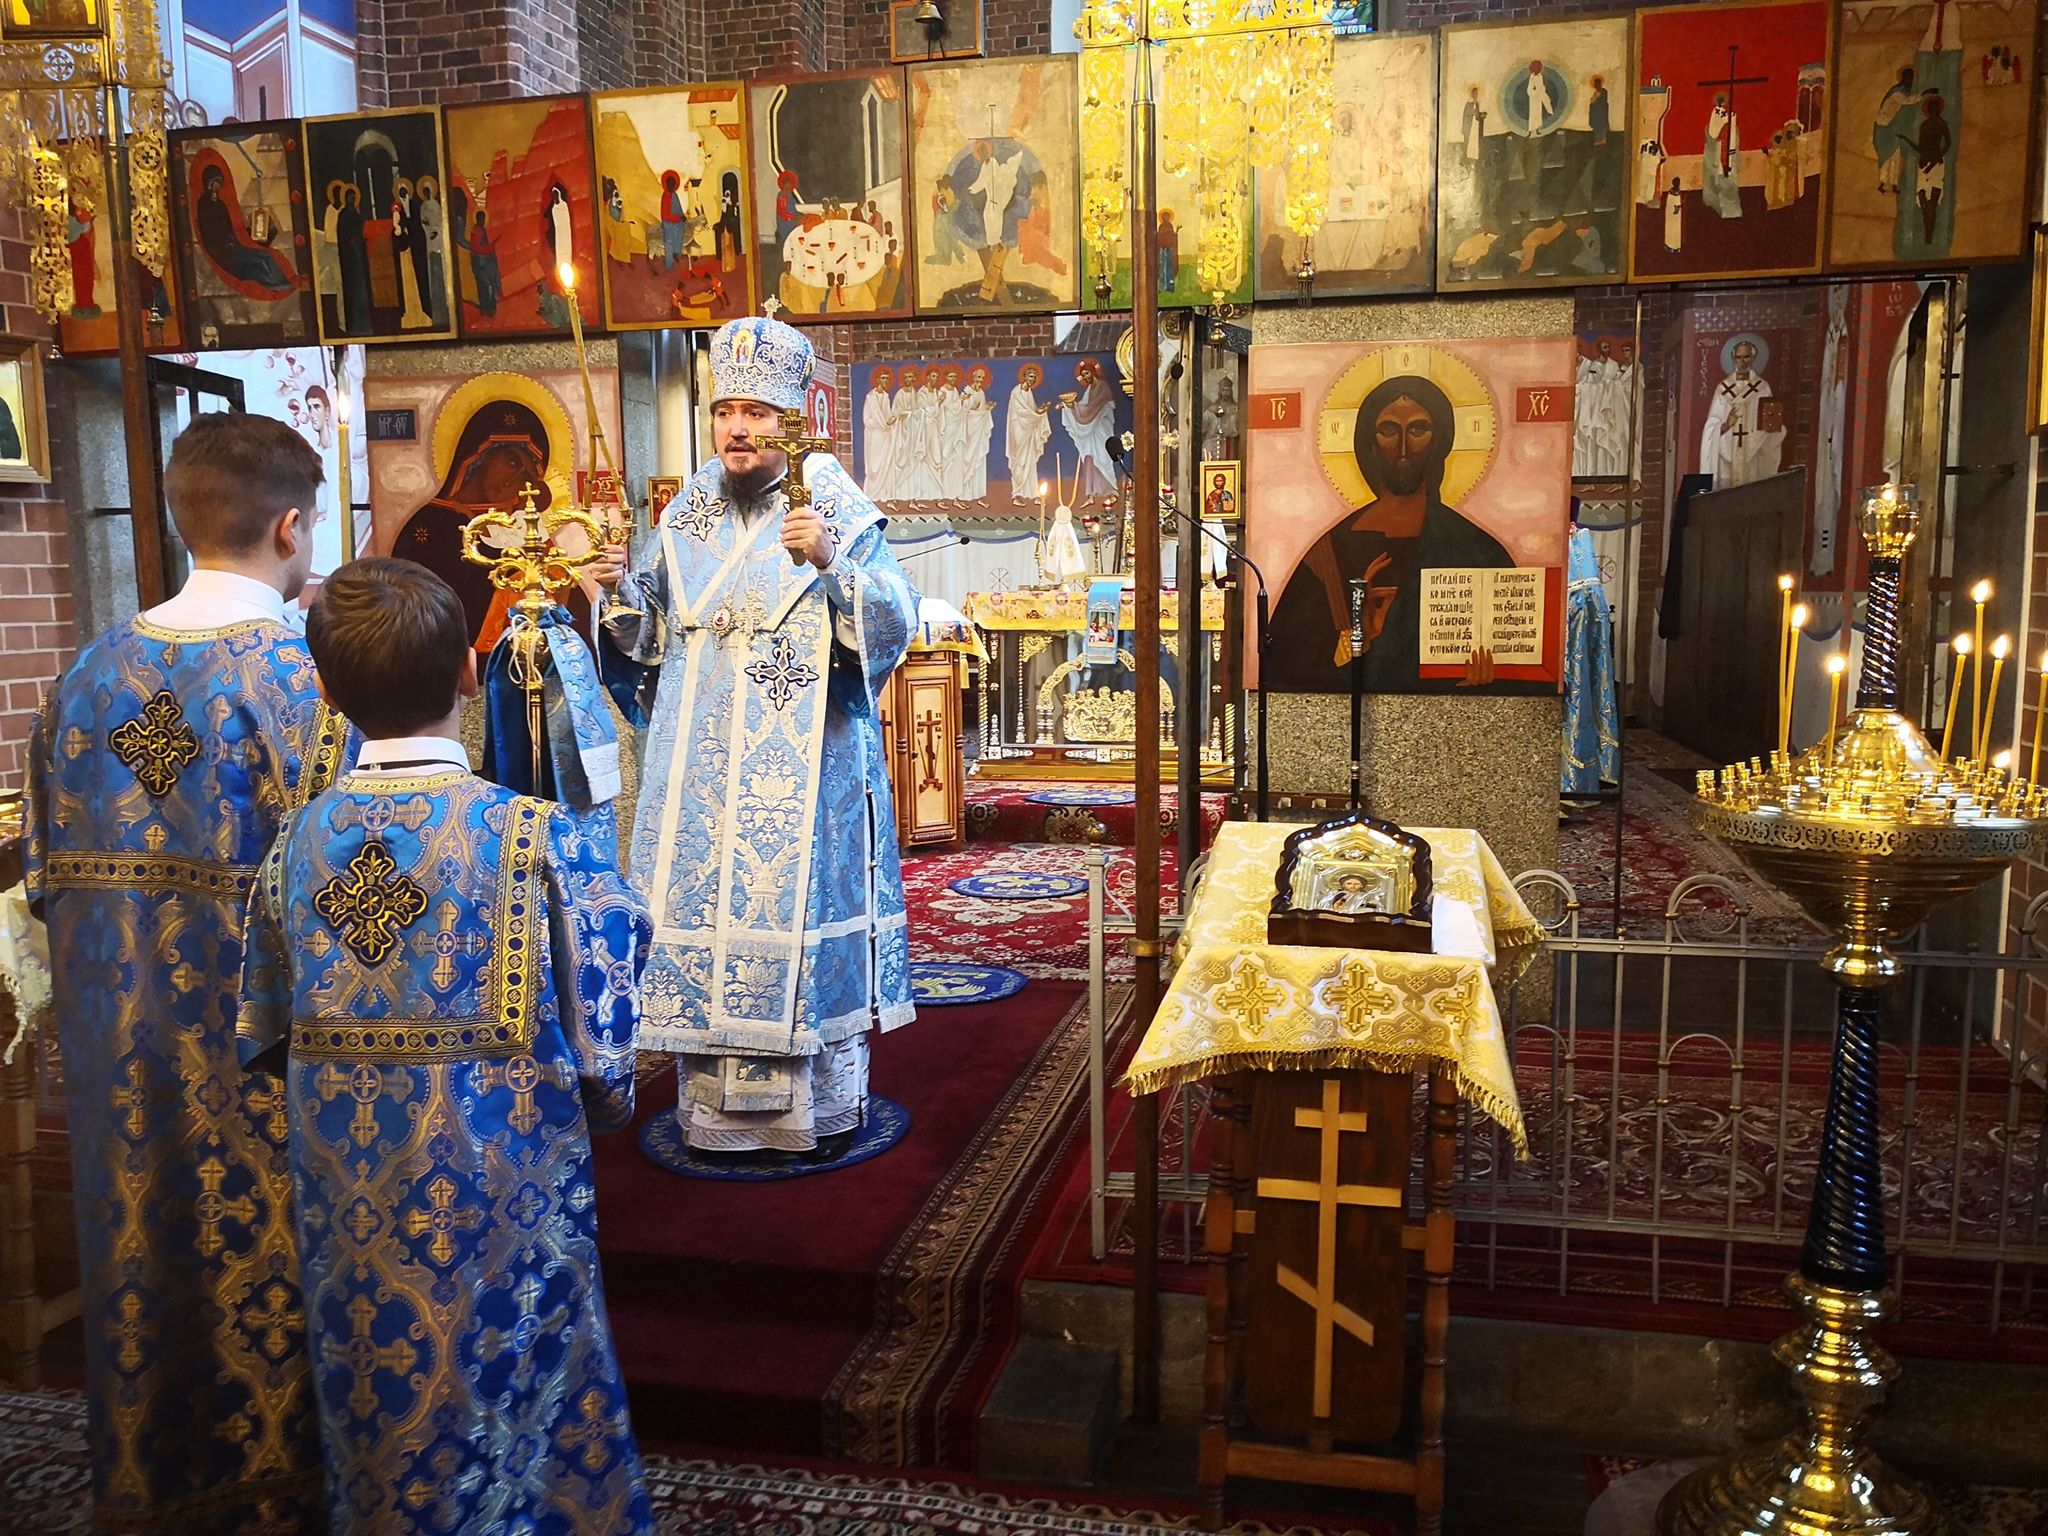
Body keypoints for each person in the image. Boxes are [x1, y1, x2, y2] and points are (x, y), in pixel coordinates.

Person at [241, 559, 654, 1534]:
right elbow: (606, 1038)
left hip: (352, 1208)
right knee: (525, 1392)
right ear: (471, 672)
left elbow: (261, 1031)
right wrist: (601, 1101)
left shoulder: (292, 847)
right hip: (510, 1197)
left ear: (328, 692)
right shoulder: (538, 837)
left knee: (378, 1400)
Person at [27, 412, 350, 1534]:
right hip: (266, 1070)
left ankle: (151, 1485)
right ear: (292, 527)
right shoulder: (306, 685)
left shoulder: (82, 678)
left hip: (120, 1071)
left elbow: (44, 881)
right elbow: (357, 897)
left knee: (144, 1260)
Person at [594, 315, 920, 1159]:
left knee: (794, 914)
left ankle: (814, 1114)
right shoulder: (688, 513)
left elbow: (896, 620)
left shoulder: (835, 504)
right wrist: (611, 592)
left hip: (805, 774)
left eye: (757, 413)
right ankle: (714, 1119)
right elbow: (649, 639)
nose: (737, 428)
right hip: (702, 774)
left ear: (791, 419)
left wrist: (835, 566)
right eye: (725, 411)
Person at [1267, 373, 1514, 693]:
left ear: (1440, 440)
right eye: (1388, 430)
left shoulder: (1475, 546)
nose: (1403, 448)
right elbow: (1286, 667)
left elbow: (1515, 655)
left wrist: (1486, 677)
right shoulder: (1327, 553)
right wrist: (1359, 639)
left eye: (1418, 430)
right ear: (1368, 442)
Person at [1699, 337, 1785, 488]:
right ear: (1733, 359)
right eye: (1738, 357)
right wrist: (1726, 424)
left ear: (1753, 358)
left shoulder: (1762, 388)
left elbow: (1770, 420)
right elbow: (1711, 424)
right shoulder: (1722, 389)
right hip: (1727, 450)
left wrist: (1770, 429)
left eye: (1746, 357)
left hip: (1754, 450)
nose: (1742, 361)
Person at [1005, 361, 1054, 503]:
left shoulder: (1029, 393)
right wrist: (1036, 414)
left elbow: (1031, 411)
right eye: (1030, 376)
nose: (1032, 379)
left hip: (1029, 432)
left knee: (1030, 462)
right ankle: (1016, 494)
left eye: (1034, 377)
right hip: (1018, 432)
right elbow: (1019, 412)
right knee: (1019, 462)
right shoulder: (1016, 392)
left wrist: (1040, 411)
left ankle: (1034, 494)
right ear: (1025, 376)